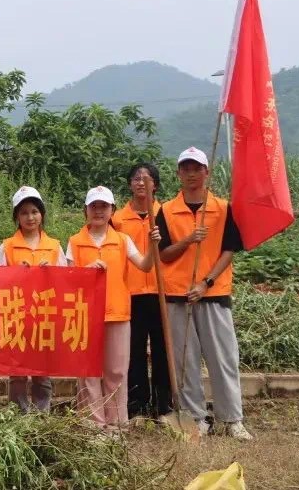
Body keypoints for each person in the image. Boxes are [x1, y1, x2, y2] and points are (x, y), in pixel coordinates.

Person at [156, 147, 252, 440]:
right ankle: (196, 418)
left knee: (223, 358)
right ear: (178, 174)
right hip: (178, 295)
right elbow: (164, 254)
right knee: (185, 362)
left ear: (206, 172)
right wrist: (188, 240)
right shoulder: (166, 211)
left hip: (213, 294)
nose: (191, 174)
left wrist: (206, 283)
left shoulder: (222, 208)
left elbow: (229, 250)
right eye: (186, 169)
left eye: (197, 168)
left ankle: (231, 419)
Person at [66, 186, 159, 431]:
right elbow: (68, 279)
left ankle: (117, 423)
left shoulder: (122, 240)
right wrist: (85, 272)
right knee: (89, 372)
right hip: (85, 315)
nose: (98, 211)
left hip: (118, 313)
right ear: (85, 210)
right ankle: (93, 424)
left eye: (104, 206)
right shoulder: (75, 242)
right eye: (93, 206)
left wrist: (153, 246)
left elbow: (145, 265)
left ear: (112, 211)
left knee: (116, 371)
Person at [0, 186, 66, 413]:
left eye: (34, 211)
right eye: (24, 212)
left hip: (44, 316)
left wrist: (51, 271)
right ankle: (18, 414)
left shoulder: (54, 246)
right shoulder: (7, 246)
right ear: (17, 216)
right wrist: (15, 273)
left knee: (42, 372)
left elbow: (66, 282)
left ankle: (41, 415)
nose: (30, 217)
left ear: (42, 214)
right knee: (17, 372)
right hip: (16, 316)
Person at [112, 162, 172, 420]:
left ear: (155, 185)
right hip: (131, 292)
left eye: (146, 178)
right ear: (129, 184)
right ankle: (136, 404)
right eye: (136, 178)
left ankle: (163, 404)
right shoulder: (117, 219)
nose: (140, 182)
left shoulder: (165, 214)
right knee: (134, 350)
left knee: (163, 349)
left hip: (162, 291)